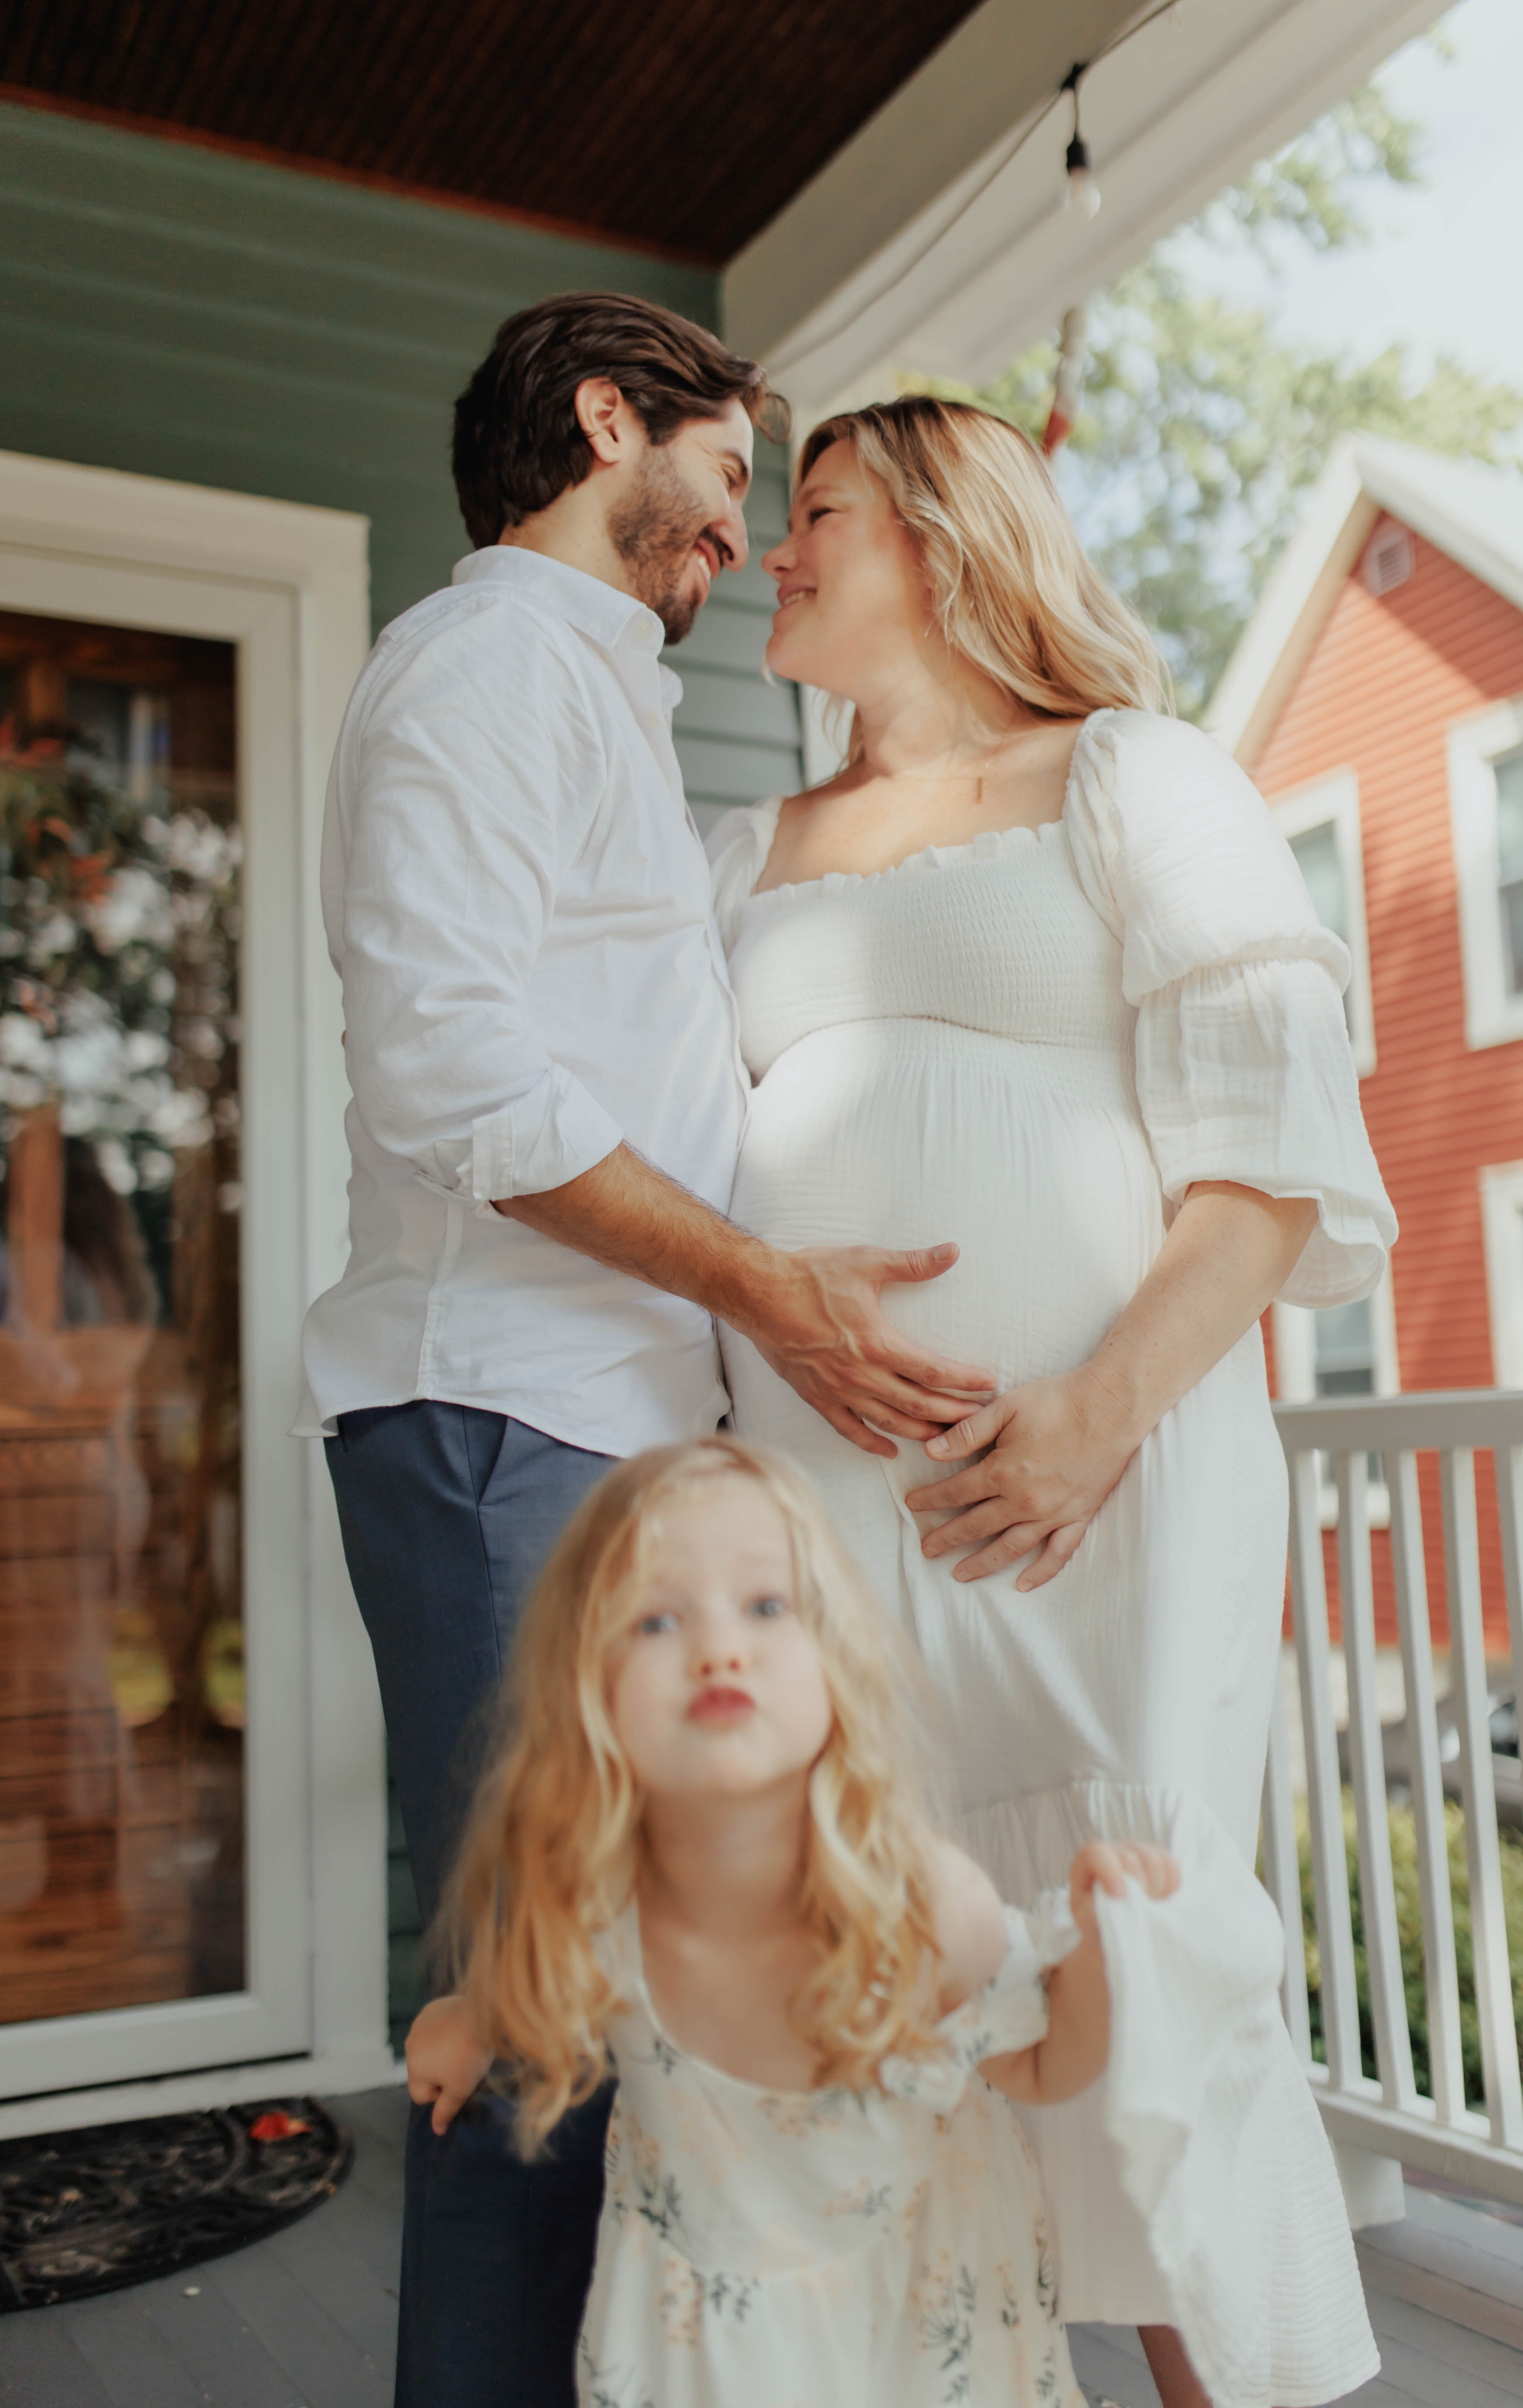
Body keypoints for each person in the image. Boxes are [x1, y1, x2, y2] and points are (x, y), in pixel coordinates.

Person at [297, 300, 995, 2408]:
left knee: (615, 2029)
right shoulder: (487, 667)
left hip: (590, 1424)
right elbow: (458, 1078)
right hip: (501, 1412)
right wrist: (764, 1287)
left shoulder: (581, 693)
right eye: (725, 462)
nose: (742, 519)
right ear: (609, 417)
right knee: (537, 2038)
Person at [705, 396, 1398, 2408]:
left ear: (937, 535)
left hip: (1107, 1481)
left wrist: (1094, 1408)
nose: (775, 549)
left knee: (1140, 1959)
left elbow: (1268, 1156)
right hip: (829, 1516)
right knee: (904, 1987)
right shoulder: (736, 846)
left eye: (813, 510)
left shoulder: (1130, 775)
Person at [405, 1435, 1183, 2408]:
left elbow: (1043, 2064)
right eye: (655, 1621)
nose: (719, 1647)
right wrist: (472, 2021)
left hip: (913, 2336)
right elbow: (542, 1980)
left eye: (767, 1607)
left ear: (837, 1665)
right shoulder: (595, 1900)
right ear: (586, 1691)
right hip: (705, 2347)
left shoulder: (921, 1903)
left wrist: (1105, 1952)